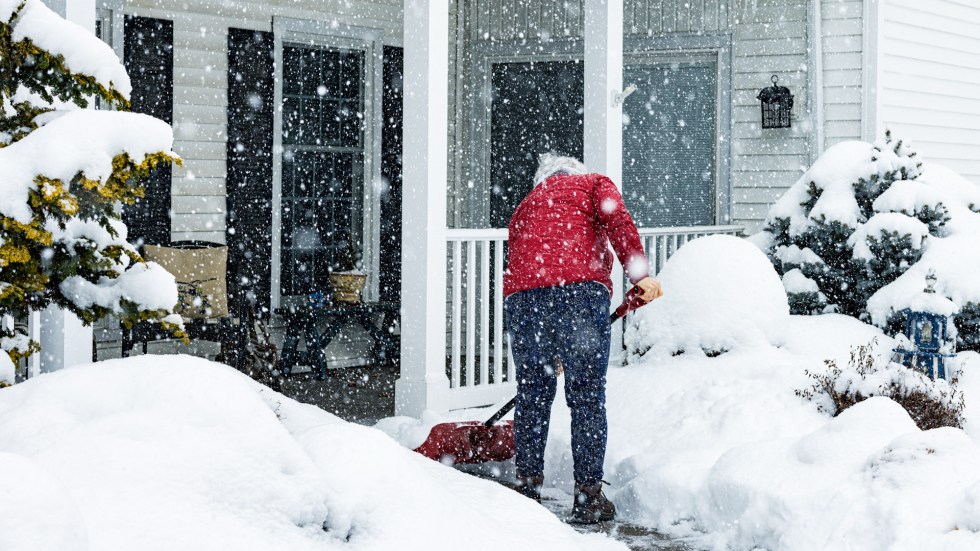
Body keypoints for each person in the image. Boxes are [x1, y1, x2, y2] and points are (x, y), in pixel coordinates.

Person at [503, 153, 662, 524]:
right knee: (586, 396)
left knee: (533, 394)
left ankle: (526, 488)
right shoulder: (592, 184)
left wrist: (543, 329)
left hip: (525, 302)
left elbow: (520, 259)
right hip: (579, 296)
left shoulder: (527, 203)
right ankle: (588, 496)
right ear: (575, 171)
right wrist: (640, 276)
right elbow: (619, 222)